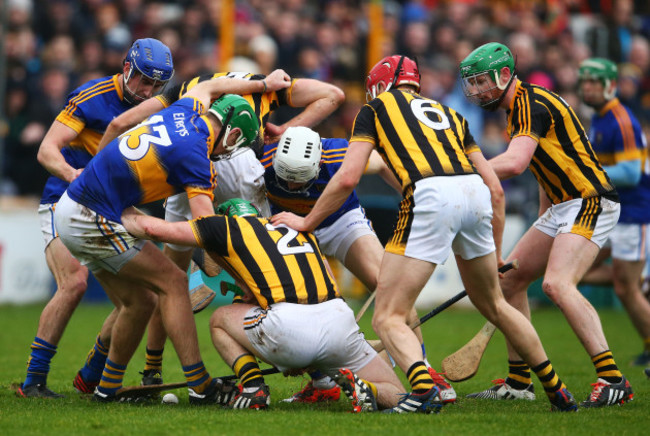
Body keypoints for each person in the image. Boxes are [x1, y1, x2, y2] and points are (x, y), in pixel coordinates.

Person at [272, 54, 578, 413]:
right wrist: (494, 253)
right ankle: (557, 390)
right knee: (495, 304)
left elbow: (348, 177)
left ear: (381, 86)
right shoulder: (451, 114)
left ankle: (423, 389)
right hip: (474, 193)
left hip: (429, 194)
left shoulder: (374, 110)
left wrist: (307, 223)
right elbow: (494, 188)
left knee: (387, 316)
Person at [52, 71, 291, 403]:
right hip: (93, 218)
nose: (229, 154)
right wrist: (244, 277)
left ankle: (107, 389)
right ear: (233, 134)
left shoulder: (186, 109)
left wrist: (262, 86)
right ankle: (200, 385)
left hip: (72, 206)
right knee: (174, 282)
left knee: (141, 301)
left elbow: (210, 85)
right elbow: (209, 232)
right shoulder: (197, 158)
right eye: (237, 144)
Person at [95, 71, 344, 388]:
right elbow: (333, 95)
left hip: (186, 159)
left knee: (169, 280)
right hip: (236, 162)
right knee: (268, 268)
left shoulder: (189, 87)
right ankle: (318, 374)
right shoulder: (269, 86)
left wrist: (93, 173)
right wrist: (282, 129)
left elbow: (119, 124)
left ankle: (151, 372)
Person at [459, 42, 633, 407]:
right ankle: (519, 383)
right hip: (561, 206)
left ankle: (613, 380)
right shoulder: (518, 107)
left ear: (505, 76)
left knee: (557, 284)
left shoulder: (530, 104)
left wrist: (461, 166)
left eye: (481, 82)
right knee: (508, 281)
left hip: (589, 200)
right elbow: (544, 166)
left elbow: (517, 163)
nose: (476, 91)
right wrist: (544, 218)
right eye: (471, 84)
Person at [121, 198, 405, 411]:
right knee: (395, 390)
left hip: (288, 327)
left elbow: (151, 228)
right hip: (340, 320)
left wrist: (115, 207)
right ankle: (366, 388)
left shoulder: (227, 227)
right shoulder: (296, 228)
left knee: (220, 319)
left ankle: (254, 387)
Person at [17, 38, 175, 398]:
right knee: (73, 282)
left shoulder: (156, 109)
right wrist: (76, 177)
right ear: (126, 68)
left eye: (155, 85)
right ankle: (33, 381)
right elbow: (47, 150)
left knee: (141, 301)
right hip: (64, 200)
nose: (146, 90)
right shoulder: (92, 96)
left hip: (111, 209)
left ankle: (90, 374)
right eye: (142, 80)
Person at [262, 126, 456, 404]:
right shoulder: (261, 161)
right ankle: (323, 382)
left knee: (391, 289)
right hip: (290, 228)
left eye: (300, 181)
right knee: (306, 306)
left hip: (340, 220)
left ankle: (423, 370)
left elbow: (381, 164)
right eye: (286, 180)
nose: (292, 187)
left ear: (317, 162)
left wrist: (413, 197)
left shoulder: (340, 153)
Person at [577, 58, 650, 367]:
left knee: (625, 288)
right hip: (614, 211)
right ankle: (641, 279)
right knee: (576, 273)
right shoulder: (600, 117)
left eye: (594, 82)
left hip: (634, 213)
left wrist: (588, 173)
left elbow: (632, 174)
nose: (588, 88)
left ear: (610, 85)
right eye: (584, 82)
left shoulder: (621, 120)